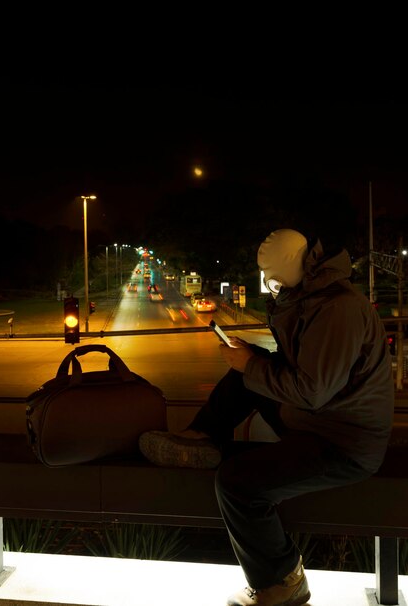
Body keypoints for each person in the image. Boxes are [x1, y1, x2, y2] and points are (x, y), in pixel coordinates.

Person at [139, 228, 394, 606]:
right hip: (318, 420)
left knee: (238, 484)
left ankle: (283, 580)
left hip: (344, 442)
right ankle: (201, 438)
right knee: (246, 376)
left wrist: (253, 365)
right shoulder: (311, 296)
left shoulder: (338, 308)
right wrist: (251, 363)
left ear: (290, 267)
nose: (269, 283)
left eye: (271, 275)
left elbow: (312, 390)